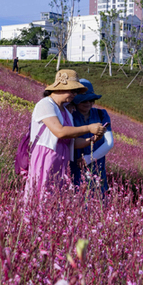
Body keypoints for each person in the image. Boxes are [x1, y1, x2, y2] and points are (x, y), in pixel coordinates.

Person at [25, 70, 106, 203]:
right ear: (61, 88)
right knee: (41, 196)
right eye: (72, 91)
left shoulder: (65, 111)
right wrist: (89, 128)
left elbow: (72, 142)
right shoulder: (45, 104)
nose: (75, 95)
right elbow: (60, 132)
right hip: (46, 155)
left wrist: (92, 139)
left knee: (55, 198)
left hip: (61, 158)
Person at [70, 80, 114, 196]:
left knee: (97, 202)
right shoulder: (69, 116)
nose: (88, 103)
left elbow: (109, 143)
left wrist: (89, 158)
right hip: (74, 166)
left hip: (97, 167)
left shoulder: (101, 114)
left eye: (91, 99)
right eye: (84, 100)